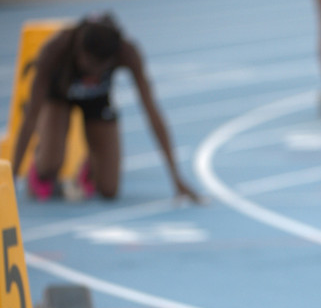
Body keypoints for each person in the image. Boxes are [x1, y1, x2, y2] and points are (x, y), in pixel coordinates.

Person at [11, 13, 201, 203]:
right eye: (87, 65)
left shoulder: (127, 52)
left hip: (97, 100)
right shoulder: (56, 49)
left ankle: (92, 166)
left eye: (99, 69)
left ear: (111, 59)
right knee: (50, 164)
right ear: (79, 51)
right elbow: (30, 118)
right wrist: (11, 179)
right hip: (59, 97)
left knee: (109, 190)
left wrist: (176, 178)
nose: (91, 74)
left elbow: (152, 111)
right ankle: (41, 167)